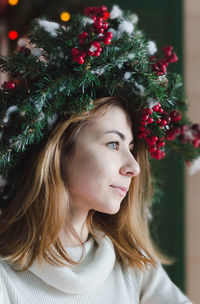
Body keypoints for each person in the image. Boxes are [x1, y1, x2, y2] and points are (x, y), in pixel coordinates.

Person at [0, 4, 197, 304]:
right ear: (61, 150)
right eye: (114, 144)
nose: (133, 167)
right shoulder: (7, 278)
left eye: (131, 148)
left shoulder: (136, 268)